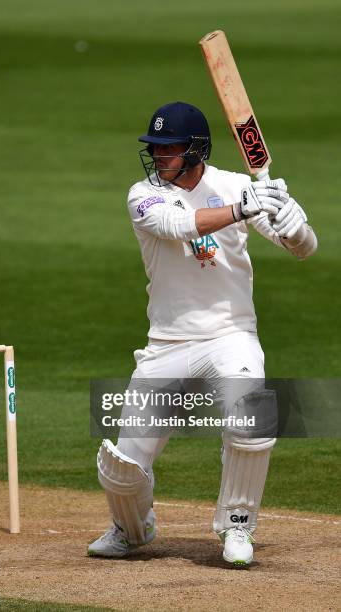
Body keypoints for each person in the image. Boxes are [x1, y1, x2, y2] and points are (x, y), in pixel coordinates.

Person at [88, 101, 317, 566]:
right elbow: (177, 225)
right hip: (167, 344)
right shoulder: (143, 195)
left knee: (253, 421)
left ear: (194, 151)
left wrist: (293, 224)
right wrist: (243, 207)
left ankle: (237, 526)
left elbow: (304, 249)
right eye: (154, 149)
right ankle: (131, 529)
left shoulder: (234, 185)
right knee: (122, 466)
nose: (158, 158)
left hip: (231, 335)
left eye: (167, 149)